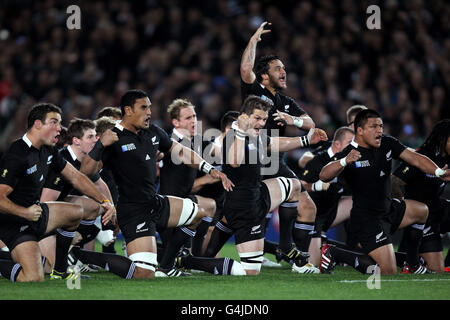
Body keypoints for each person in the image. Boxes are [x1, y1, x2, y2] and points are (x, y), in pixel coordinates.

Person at [80, 89, 237, 278]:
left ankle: (167, 266)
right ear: (128, 110)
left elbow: (181, 152)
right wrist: (100, 145)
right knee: (143, 273)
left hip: (155, 202)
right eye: (143, 107)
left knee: (198, 214)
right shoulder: (113, 137)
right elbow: (86, 172)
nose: (149, 112)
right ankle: (81, 255)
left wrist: (210, 169)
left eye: (150, 107)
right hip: (133, 211)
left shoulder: (152, 131)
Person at [204, 95, 328, 275]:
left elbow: (275, 143)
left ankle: (286, 246)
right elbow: (234, 161)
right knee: (250, 271)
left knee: (294, 185)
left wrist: (305, 140)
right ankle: (189, 260)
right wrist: (239, 130)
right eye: (257, 118)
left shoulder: (257, 136)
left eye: (264, 119)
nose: (262, 123)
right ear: (244, 117)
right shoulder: (231, 135)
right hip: (244, 208)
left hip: (259, 194)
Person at [319, 109, 450, 274]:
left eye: (380, 125)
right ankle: (334, 252)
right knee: (388, 271)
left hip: (389, 210)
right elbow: (324, 175)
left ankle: (412, 263)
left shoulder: (387, 143)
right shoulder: (350, 153)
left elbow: (415, 158)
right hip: (368, 219)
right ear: (360, 130)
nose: (379, 130)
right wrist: (344, 161)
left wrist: (438, 172)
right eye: (373, 126)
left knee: (422, 210)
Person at [0, 103, 114, 282]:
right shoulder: (17, 154)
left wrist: (105, 202)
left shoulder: (48, 150)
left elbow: (76, 177)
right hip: (11, 223)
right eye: (54, 122)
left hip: (34, 215)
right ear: (38, 124)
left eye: (60, 123)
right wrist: (25, 212)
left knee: (76, 211)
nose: (59, 129)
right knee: (32, 278)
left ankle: (60, 270)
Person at [240, 21, 318, 265]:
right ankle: (260, 252)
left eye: (284, 68)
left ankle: (292, 255)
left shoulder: (285, 102)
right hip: (253, 159)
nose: (283, 72)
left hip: (277, 161)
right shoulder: (255, 91)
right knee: (251, 211)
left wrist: (290, 118)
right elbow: (244, 69)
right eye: (277, 69)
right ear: (265, 75)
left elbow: (310, 123)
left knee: (308, 207)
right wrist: (253, 41)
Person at [158, 98, 244, 275]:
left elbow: (221, 153)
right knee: (207, 206)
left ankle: (192, 254)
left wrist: (238, 137)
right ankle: (188, 257)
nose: (193, 121)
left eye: (194, 116)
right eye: (188, 117)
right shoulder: (166, 141)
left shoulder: (199, 143)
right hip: (168, 205)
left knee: (209, 205)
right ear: (176, 122)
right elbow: (155, 155)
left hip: (186, 201)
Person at [38, 118, 116, 272]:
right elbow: (45, 203)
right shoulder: (62, 161)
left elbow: (100, 184)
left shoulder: (85, 161)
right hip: (35, 214)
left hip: (55, 206)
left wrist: (111, 208)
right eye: (90, 137)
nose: (96, 140)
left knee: (95, 206)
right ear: (76, 141)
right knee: (47, 269)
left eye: (96, 136)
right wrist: (65, 233)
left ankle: (74, 251)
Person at [392, 119, 450, 273]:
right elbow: (395, 181)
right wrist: (402, 205)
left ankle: (447, 263)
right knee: (436, 270)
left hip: (437, 210)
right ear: (442, 139)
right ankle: (408, 259)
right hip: (422, 216)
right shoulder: (421, 156)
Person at [300, 127, 355, 266]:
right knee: (314, 264)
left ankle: (359, 246)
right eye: (350, 142)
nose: (353, 147)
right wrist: (315, 186)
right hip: (313, 218)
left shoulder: (349, 164)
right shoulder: (318, 161)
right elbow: (299, 187)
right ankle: (322, 249)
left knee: (361, 202)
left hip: (331, 213)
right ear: (337, 145)